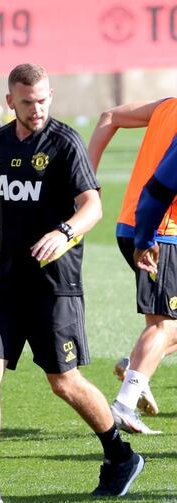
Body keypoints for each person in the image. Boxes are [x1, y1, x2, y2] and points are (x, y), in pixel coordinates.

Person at [0, 64, 143, 503]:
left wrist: (66, 233)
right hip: (1, 282)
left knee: (63, 381)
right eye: (26, 102)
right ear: (9, 101)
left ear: (50, 96)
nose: (36, 110)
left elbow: (92, 205)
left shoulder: (64, 142)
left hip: (55, 284)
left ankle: (120, 455)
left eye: (42, 101)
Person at [87, 98, 177, 433]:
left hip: (135, 227)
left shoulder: (167, 106)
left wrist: (86, 175)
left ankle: (136, 368)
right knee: (165, 327)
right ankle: (125, 405)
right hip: (158, 234)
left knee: (162, 323)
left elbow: (108, 115)